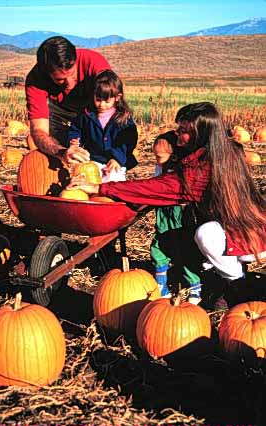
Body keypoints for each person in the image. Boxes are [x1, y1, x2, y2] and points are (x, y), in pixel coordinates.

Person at [67, 102, 266, 306]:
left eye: (184, 130)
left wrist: (100, 188)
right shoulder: (224, 152)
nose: (177, 133)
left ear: (201, 134)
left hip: (248, 238)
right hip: (249, 228)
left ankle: (239, 286)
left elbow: (156, 188)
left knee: (204, 235)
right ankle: (228, 278)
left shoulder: (203, 170)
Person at [25, 36, 111, 165]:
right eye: (60, 79)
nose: (70, 84)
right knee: (56, 157)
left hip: (93, 108)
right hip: (60, 112)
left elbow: (111, 103)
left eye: (73, 75)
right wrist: (60, 152)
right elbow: (39, 130)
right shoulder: (36, 80)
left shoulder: (94, 62)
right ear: (46, 73)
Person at [151, 130, 201, 303]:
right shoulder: (159, 169)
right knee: (157, 248)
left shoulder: (181, 170)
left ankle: (195, 286)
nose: (156, 160)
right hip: (163, 217)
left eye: (159, 157)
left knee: (184, 253)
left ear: (173, 156)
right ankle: (161, 284)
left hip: (179, 218)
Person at [67, 70, 138, 182]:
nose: (102, 105)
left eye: (106, 101)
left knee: (114, 182)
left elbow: (128, 142)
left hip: (115, 162)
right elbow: (76, 128)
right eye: (98, 100)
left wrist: (118, 158)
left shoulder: (123, 118)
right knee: (88, 180)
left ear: (117, 97)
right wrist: (74, 140)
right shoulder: (86, 115)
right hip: (93, 159)